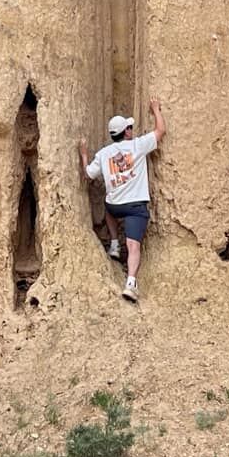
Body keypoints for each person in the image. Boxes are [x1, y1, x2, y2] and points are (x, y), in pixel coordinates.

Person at [77, 97, 166, 303]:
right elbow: (161, 131)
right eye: (130, 127)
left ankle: (115, 243)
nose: (132, 129)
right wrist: (155, 110)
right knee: (134, 245)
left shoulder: (103, 154)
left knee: (108, 204)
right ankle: (131, 283)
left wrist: (83, 154)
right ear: (126, 132)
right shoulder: (138, 145)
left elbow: (87, 175)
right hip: (135, 207)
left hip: (116, 207)